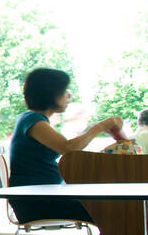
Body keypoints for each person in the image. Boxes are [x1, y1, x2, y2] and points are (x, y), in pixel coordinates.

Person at [8, 68, 122, 224]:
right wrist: (101, 126)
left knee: (109, 206)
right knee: (110, 209)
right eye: (64, 91)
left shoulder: (32, 119)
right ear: (50, 93)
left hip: (43, 196)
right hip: (36, 201)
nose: (69, 95)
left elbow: (69, 146)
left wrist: (95, 127)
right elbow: (68, 148)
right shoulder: (33, 121)